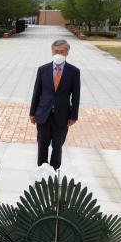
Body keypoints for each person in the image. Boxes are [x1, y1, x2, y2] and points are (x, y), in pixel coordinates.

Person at [29, 39, 81, 170]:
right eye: (56, 51)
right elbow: (36, 92)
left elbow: (76, 96)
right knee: (42, 145)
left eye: (62, 52)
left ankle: (54, 172)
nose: (59, 54)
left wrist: (74, 116)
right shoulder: (43, 70)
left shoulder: (74, 72)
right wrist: (32, 113)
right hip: (43, 115)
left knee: (57, 147)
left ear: (67, 53)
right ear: (52, 51)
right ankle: (41, 172)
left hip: (62, 116)